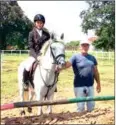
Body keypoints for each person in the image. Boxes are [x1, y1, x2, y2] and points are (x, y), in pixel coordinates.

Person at [62, 39, 101, 112]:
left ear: (88, 47)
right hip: (79, 86)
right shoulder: (75, 57)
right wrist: (59, 65)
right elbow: (66, 65)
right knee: (80, 107)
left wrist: (98, 84)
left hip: (90, 86)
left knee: (91, 106)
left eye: (86, 45)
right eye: (83, 45)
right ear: (80, 47)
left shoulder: (92, 58)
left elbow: (96, 72)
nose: (85, 47)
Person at [23, 14, 50, 85]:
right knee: (27, 66)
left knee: (53, 67)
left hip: (44, 56)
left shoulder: (47, 34)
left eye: (41, 23)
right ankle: (26, 82)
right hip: (34, 55)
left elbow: (49, 46)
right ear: (35, 23)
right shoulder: (31, 33)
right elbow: (31, 47)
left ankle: (52, 84)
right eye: (38, 22)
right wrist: (36, 56)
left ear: (43, 24)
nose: (39, 24)